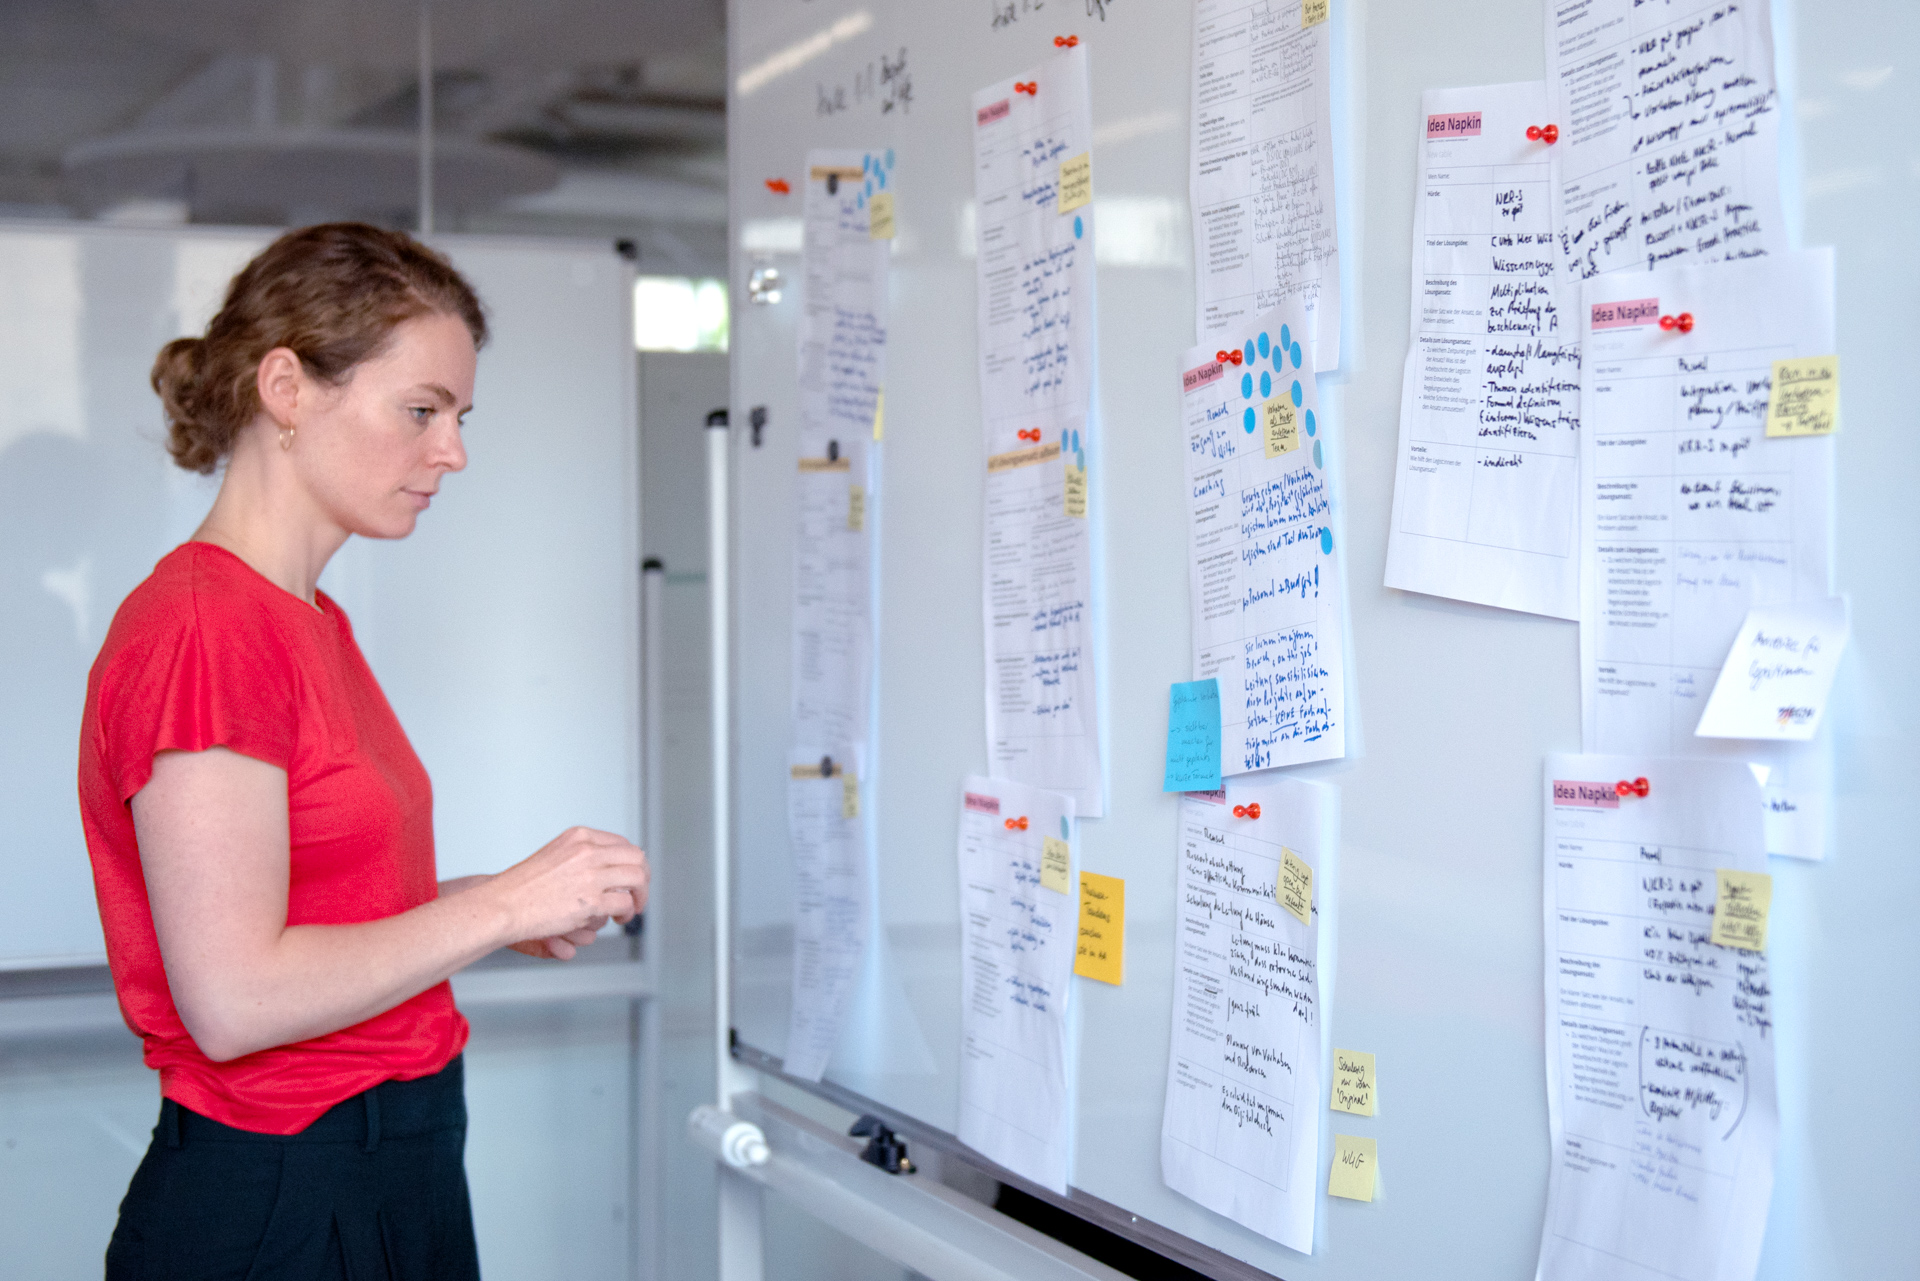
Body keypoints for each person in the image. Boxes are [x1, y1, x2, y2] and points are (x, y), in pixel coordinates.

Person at [77, 222, 649, 1280]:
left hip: (394, 1157)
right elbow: (237, 998)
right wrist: (497, 909)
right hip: (290, 1190)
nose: (454, 452)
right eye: (422, 410)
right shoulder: (208, 628)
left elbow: (304, 902)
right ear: (288, 388)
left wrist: (498, 897)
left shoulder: (307, 620)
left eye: (461, 417)